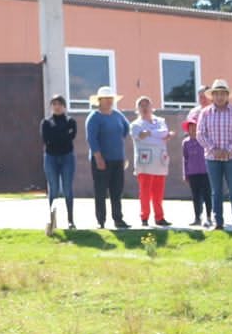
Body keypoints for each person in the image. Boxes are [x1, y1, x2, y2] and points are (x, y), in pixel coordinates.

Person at [196, 79, 232, 231]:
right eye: (216, 94)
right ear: (212, 96)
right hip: (212, 158)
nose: (219, 97)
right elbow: (200, 134)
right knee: (216, 190)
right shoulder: (205, 113)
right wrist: (214, 149)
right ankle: (218, 222)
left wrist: (228, 150)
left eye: (222, 94)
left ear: (227, 95)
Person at [86, 87, 131, 228]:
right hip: (101, 159)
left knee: (117, 190)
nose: (109, 101)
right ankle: (101, 220)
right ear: (99, 100)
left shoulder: (117, 115)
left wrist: (119, 147)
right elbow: (92, 139)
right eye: (107, 99)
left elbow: (126, 128)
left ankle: (118, 219)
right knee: (101, 190)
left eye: (111, 99)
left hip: (117, 158)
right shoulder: (94, 117)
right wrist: (98, 157)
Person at [129, 96, 172, 226]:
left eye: (147, 104)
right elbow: (142, 138)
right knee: (145, 192)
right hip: (145, 163)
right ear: (137, 109)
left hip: (160, 161)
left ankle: (159, 217)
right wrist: (158, 137)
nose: (145, 107)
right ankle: (144, 217)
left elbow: (164, 133)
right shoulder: (135, 124)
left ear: (152, 107)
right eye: (141, 105)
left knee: (158, 192)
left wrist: (149, 133)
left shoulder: (160, 121)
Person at [40, 94, 78, 230]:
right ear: (51, 107)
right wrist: (62, 134)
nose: (57, 107)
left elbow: (71, 137)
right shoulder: (46, 122)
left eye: (60, 104)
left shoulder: (71, 121)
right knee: (53, 189)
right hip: (51, 157)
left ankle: (70, 220)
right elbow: (47, 139)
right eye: (54, 104)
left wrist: (58, 135)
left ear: (64, 107)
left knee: (67, 188)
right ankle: (52, 221)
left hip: (67, 157)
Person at [181, 118, 212, 227]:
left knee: (207, 195)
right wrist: (185, 174)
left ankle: (209, 217)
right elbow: (185, 159)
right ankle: (197, 217)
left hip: (205, 172)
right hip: (193, 173)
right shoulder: (186, 142)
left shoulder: (204, 140)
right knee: (195, 196)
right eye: (191, 128)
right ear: (188, 130)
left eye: (195, 127)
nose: (193, 130)